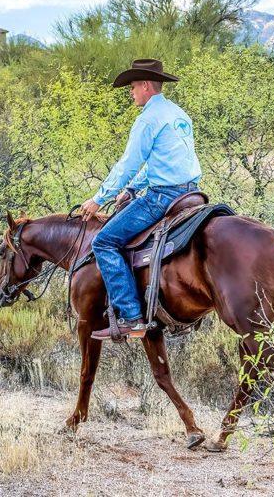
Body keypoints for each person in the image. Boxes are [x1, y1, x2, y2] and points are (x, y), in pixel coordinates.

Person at [79, 59, 201, 341]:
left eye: (133, 87)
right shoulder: (178, 114)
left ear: (146, 85)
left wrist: (99, 199)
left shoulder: (148, 119)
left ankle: (131, 316)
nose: (131, 93)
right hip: (191, 193)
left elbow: (129, 164)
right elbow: (162, 160)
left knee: (104, 242)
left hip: (163, 196)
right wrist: (133, 188)